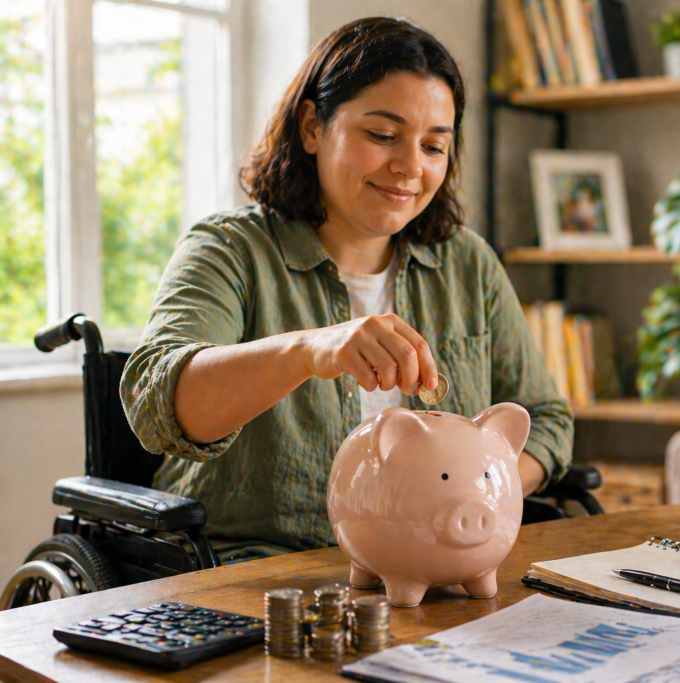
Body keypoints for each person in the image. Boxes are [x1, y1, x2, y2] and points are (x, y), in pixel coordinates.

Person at [121, 17, 573, 554]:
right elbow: (161, 407)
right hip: (260, 570)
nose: (409, 167)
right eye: (383, 136)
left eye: (433, 147)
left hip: (434, 565)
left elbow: (545, 418)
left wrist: (483, 493)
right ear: (313, 127)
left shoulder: (467, 263)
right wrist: (312, 349)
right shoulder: (228, 250)